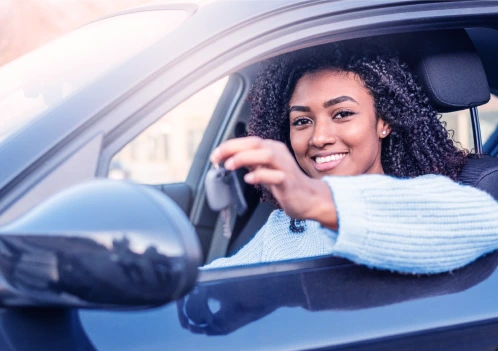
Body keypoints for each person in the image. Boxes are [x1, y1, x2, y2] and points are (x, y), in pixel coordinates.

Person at [204, 42, 498, 274]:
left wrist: (318, 200)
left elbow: (483, 222)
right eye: (302, 121)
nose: (319, 137)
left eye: (342, 114)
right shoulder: (286, 228)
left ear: (384, 121)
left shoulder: (425, 204)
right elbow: (217, 285)